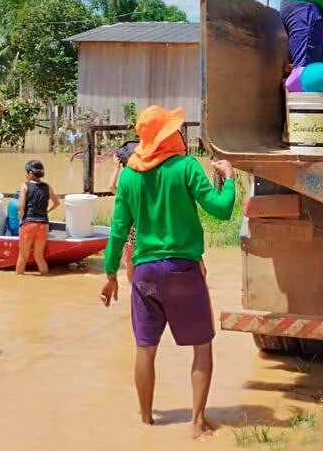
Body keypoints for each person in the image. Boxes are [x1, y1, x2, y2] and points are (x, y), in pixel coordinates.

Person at [99, 105, 236, 439]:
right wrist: (229, 179)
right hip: (182, 270)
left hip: (144, 272)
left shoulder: (130, 175)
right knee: (201, 347)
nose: (179, 135)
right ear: (167, 136)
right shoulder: (186, 167)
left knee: (145, 349)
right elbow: (221, 210)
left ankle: (145, 422)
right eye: (174, 130)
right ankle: (196, 423)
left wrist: (110, 275)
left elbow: (118, 230)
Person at [17, 160, 60, 276]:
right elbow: (56, 203)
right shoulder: (47, 187)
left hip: (29, 224)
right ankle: (45, 278)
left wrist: (21, 218)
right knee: (39, 257)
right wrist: (46, 211)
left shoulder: (25, 185)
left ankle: (18, 281)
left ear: (30, 173)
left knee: (23, 256)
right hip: (43, 225)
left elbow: (21, 206)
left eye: (26, 172)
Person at [108, 140, 139, 282]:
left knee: (130, 263)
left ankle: (133, 291)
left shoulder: (127, 180)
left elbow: (112, 188)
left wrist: (116, 168)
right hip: (147, 228)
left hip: (132, 229)